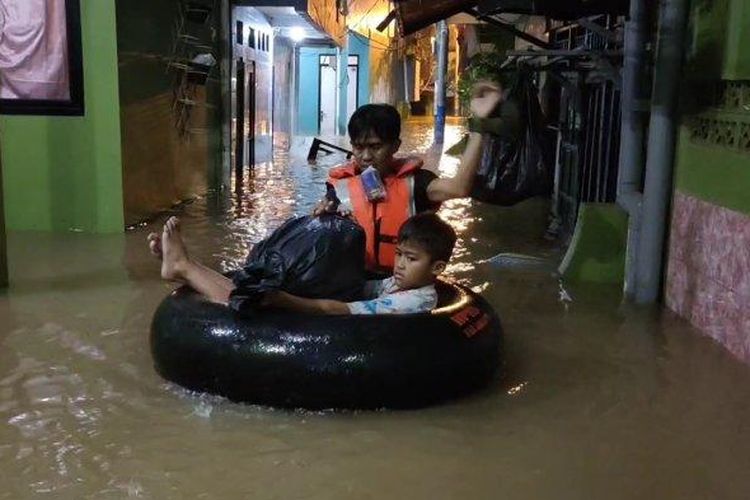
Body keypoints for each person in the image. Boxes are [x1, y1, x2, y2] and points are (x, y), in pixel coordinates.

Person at [316, 81, 503, 274]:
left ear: (395, 146)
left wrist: (479, 126)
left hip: (400, 283)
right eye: (358, 147)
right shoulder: (339, 187)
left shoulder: (418, 183)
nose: (365, 157)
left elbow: (459, 187)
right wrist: (320, 218)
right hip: (353, 280)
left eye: (375, 147)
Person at [147, 212, 455, 316]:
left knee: (255, 304)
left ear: (438, 268)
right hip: (353, 307)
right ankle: (184, 265)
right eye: (399, 253)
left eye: (410, 259)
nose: (399, 264)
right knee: (255, 285)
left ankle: (184, 267)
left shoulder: (414, 301)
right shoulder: (399, 283)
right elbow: (359, 287)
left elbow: (338, 309)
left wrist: (285, 299)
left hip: (356, 334)